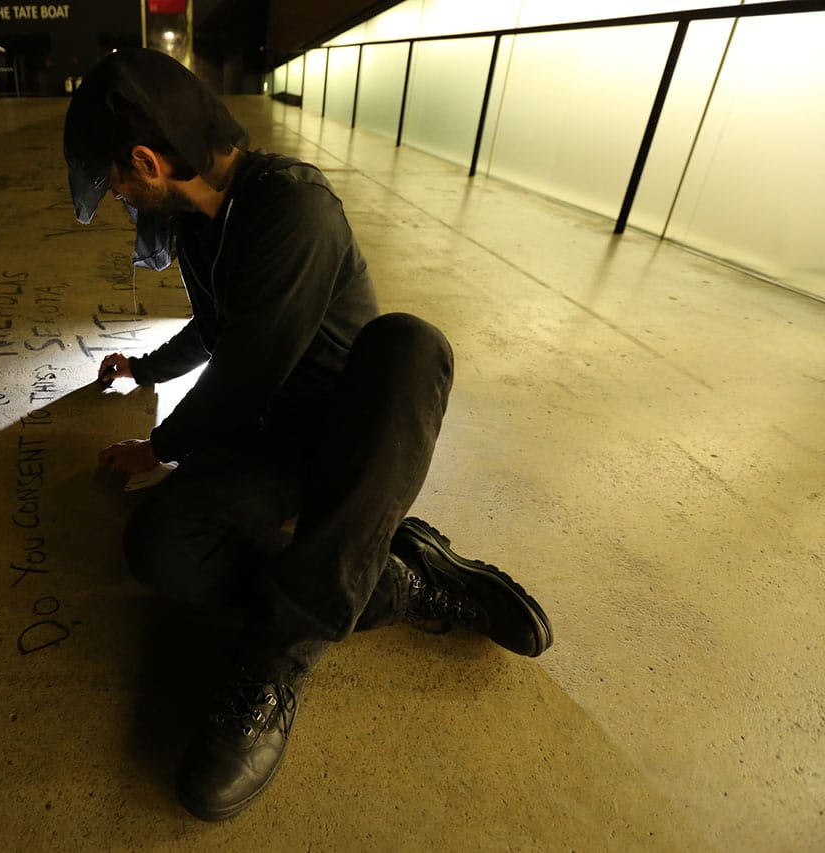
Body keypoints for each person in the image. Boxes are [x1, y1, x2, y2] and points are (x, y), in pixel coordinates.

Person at [64, 48, 553, 822]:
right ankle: (396, 578)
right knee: (156, 544)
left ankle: (273, 659)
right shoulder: (199, 226)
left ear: (148, 160)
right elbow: (219, 328)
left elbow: (247, 371)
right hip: (274, 446)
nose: (120, 196)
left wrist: (161, 447)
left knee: (411, 343)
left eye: (119, 179)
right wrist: (148, 372)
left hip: (350, 436)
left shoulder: (294, 209)